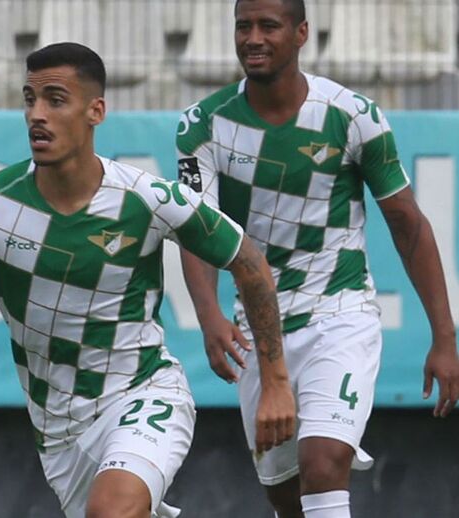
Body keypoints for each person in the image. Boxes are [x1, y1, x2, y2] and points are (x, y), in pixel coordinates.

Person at [0, 42, 295, 518]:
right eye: (30, 99)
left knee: (111, 511)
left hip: (143, 393)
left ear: (96, 111)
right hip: (58, 432)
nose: (37, 114)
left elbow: (250, 263)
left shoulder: (146, 199)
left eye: (55, 100)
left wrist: (275, 381)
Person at [176, 1, 459, 517]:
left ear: (302, 33)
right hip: (259, 329)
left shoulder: (353, 116)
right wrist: (209, 314)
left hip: (339, 314)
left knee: (323, 462)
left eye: (269, 26)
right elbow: (198, 229)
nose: (253, 38)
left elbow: (409, 225)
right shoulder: (202, 125)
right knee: (287, 497)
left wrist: (444, 336)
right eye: (244, 26)